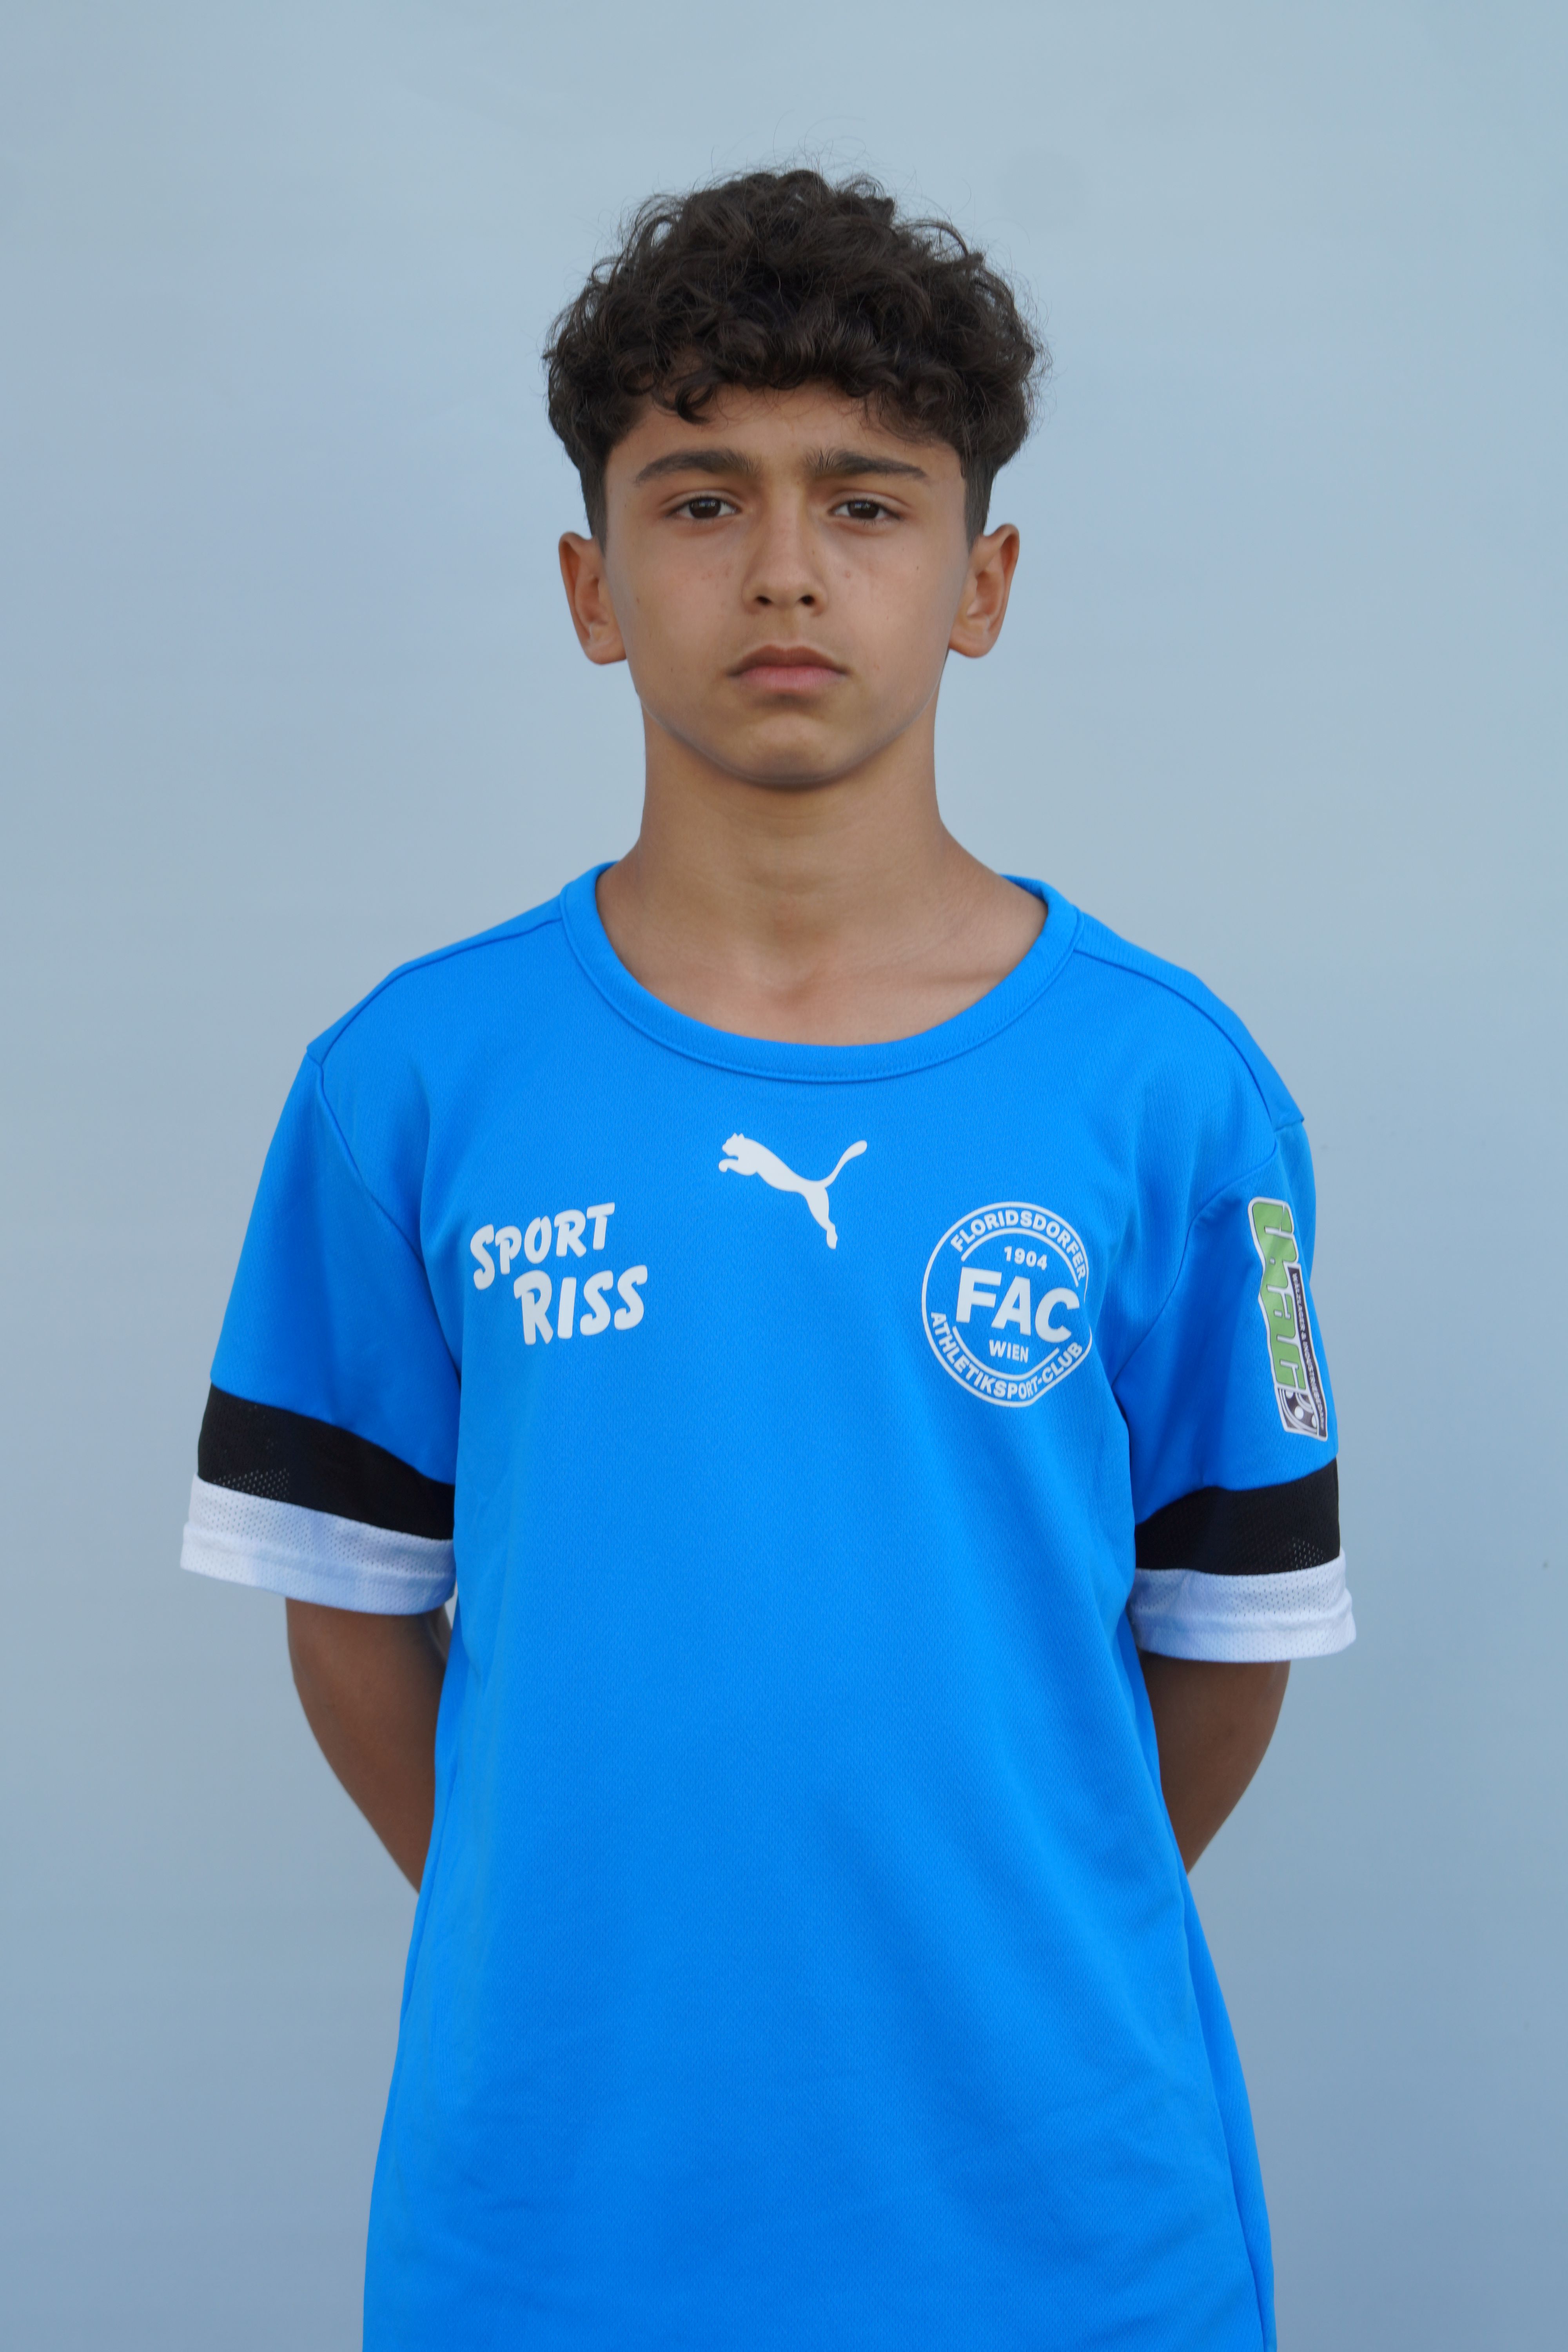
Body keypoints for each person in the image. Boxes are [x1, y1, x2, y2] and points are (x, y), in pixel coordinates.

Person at [181, 168, 1353, 2349]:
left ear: (983, 582)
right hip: (556, 2229)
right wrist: (586, 1942)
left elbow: (1226, 1647)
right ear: (592, 585)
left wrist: (998, 1937)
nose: (788, 569)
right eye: (703, 500)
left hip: (1070, 2232)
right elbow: (349, 1618)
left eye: (867, 502)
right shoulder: (408, 1085)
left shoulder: (1173, 1095)